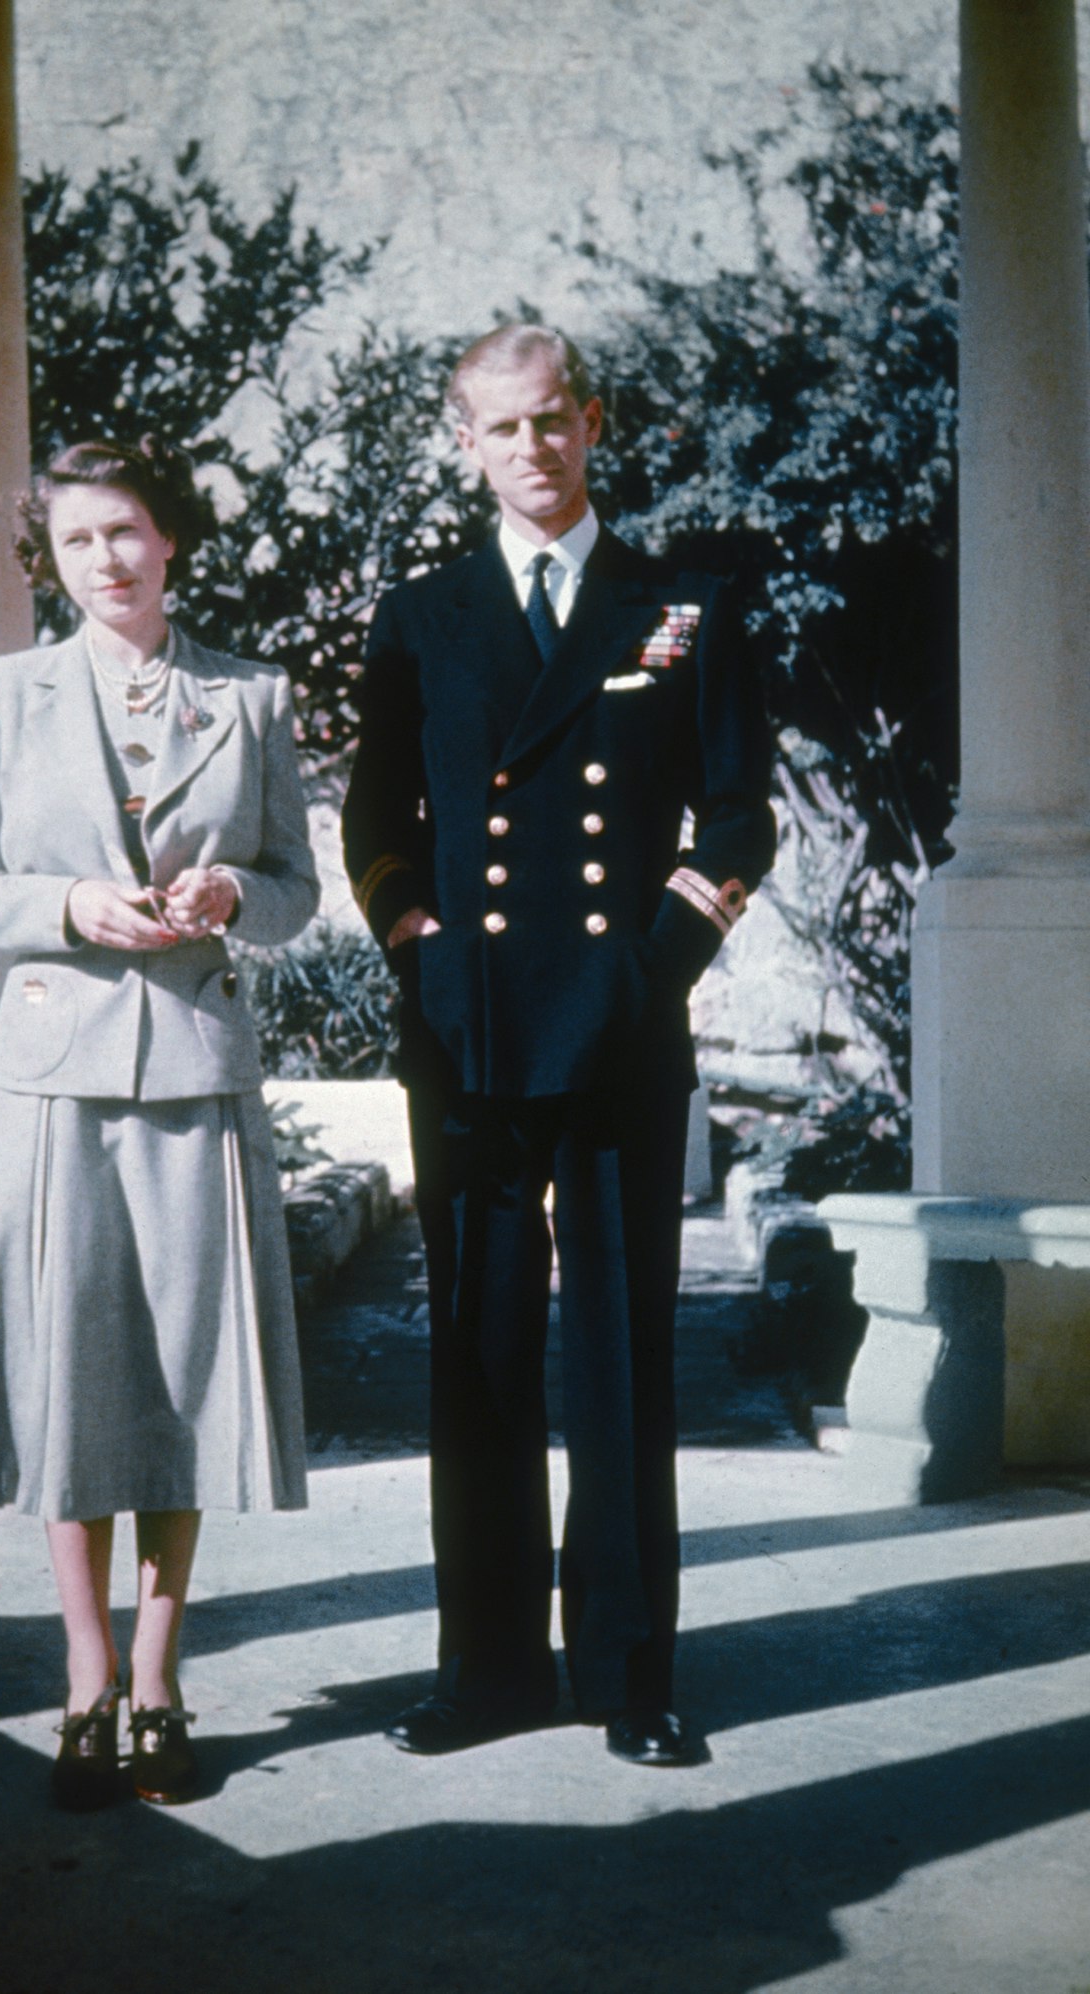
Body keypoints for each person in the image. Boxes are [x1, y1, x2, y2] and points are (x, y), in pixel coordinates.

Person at [342, 324, 775, 1768]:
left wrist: (653, 968)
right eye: (499, 429)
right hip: (466, 1031)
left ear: (592, 424)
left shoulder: (687, 605)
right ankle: (487, 1664)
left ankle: (630, 1664)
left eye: (552, 423)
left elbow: (737, 816)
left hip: (623, 1024)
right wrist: (426, 961)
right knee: (475, 1349)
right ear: (463, 445)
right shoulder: (423, 614)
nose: (531, 450)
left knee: (621, 1347)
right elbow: (378, 830)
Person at [0, 435, 318, 1810]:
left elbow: (294, 888)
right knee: (67, 1379)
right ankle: (84, 1677)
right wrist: (70, 907)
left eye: (130, 531)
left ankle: (160, 1676)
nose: (109, 558)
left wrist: (231, 906)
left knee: (184, 1382)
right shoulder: (8, 691)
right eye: (81, 538)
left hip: (198, 1072)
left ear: (172, 540)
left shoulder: (250, 695)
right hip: (50, 1081)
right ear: (54, 553)